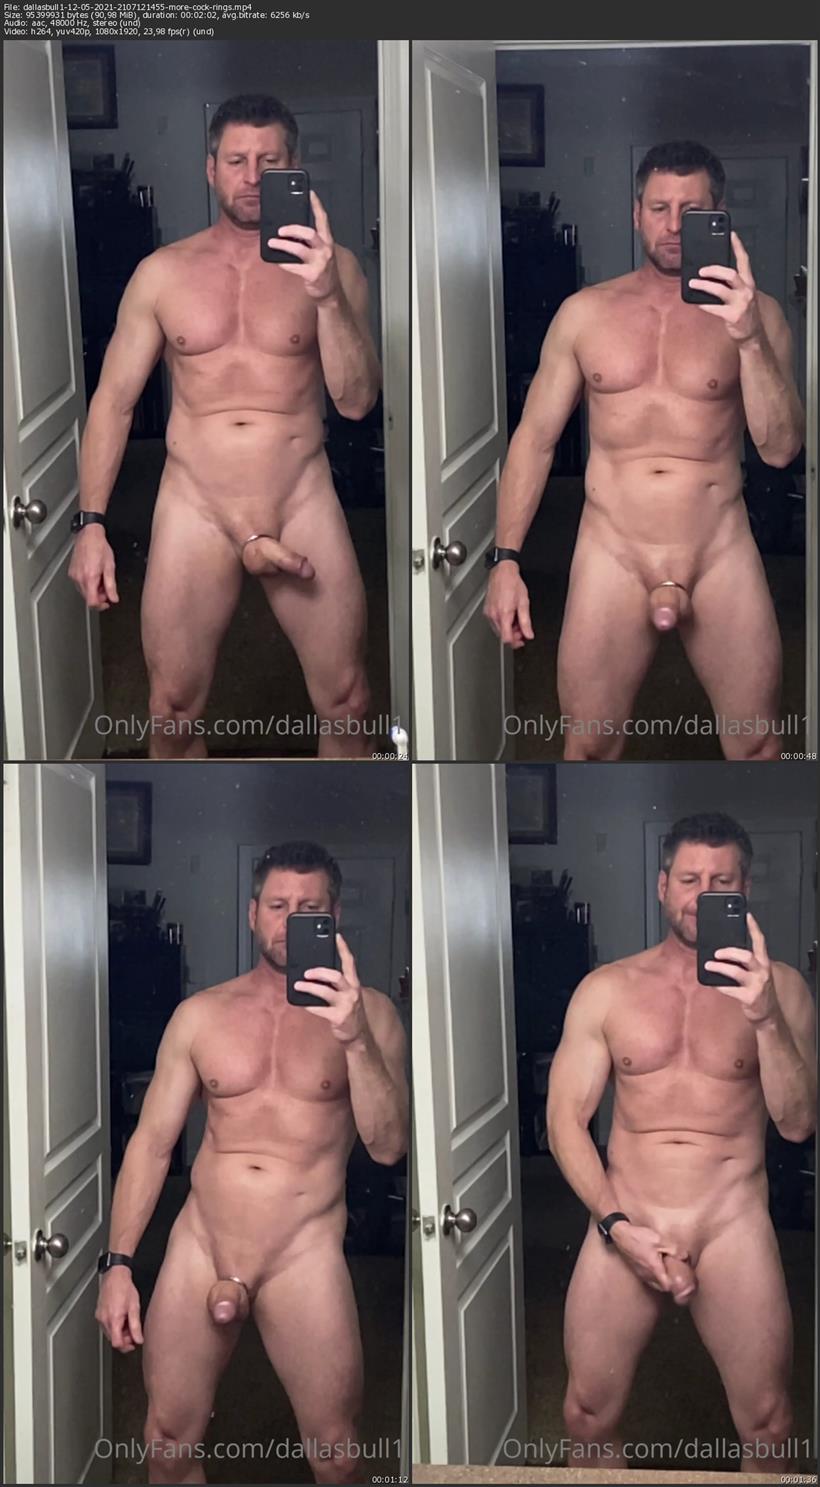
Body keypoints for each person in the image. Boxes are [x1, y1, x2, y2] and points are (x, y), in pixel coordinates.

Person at [68, 95, 381, 760]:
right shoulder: (161, 274)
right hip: (196, 505)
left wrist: (326, 295)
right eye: (236, 160)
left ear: (294, 168)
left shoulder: (338, 269)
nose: (252, 176)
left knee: (348, 701)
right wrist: (90, 523)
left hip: (298, 497)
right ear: (210, 168)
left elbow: (356, 402)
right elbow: (114, 402)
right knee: (172, 709)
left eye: (269, 161)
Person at [95, 842, 408, 1485]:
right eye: (277, 905)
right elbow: (151, 1144)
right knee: (167, 1444)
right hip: (202, 1243)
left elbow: (388, 1146)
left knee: (338, 1453)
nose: (290, 920)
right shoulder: (200, 1015)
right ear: (252, 913)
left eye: (309, 909)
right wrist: (117, 1265)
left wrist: (352, 1037)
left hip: (303, 1250)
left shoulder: (372, 1015)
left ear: (333, 917)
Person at [484, 141, 805, 761]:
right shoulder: (584, 314)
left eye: (692, 210)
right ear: (636, 214)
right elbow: (535, 439)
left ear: (719, 216)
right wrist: (506, 560)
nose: (674, 224)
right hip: (613, 550)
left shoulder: (760, 316)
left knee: (758, 745)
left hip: (717, 547)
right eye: (660, 208)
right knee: (589, 744)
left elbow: (781, 449)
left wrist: (747, 340)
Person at [546, 812, 816, 1467]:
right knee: (585, 1414)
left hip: (731, 1218)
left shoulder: (783, 989)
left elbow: (798, 1122)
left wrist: (764, 1018)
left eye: (722, 881)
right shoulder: (607, 989)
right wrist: (616, 1224)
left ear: (744, 888)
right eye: (690, 879)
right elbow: (564, 1122)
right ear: (663, 886)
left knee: (770, 1424)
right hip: (629, 1209)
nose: (703, 894)